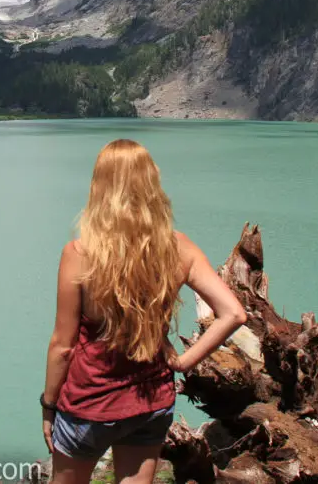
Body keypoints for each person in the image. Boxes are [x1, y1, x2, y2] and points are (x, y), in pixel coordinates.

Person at [41, 139, 247, 484]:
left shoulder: (79, 253)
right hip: (150, 403)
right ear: (152, 183)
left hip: (89, 404)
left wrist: (48, 405)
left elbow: (63, 346)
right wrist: (183, 362)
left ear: (100, 186)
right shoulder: (179, 247)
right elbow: (234, 313)